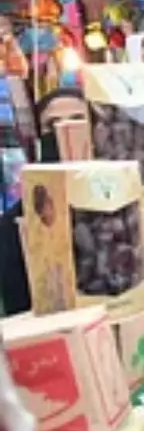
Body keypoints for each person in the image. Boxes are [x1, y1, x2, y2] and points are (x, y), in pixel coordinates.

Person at [0, 87, 87, 315]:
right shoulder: (13, 224)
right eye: (53, 125)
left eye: (77, 121)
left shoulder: (126, 203)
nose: (64, 132)